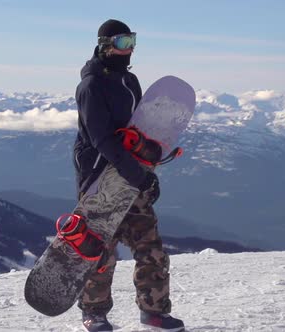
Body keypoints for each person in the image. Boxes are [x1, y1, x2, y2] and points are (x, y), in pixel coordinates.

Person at [73, 19, 185, 332]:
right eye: (123, 42)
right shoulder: (91, 86)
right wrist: (138, 174)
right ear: (105, 44)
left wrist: (149, 164)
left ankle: (154, 311)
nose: (130, 48)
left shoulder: (130, 81)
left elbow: (136, 129)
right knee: (100, 251)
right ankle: (94, 312)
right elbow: (102, 139)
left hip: (132, 173)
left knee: (150, 247)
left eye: (132, 40)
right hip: (100, 178)